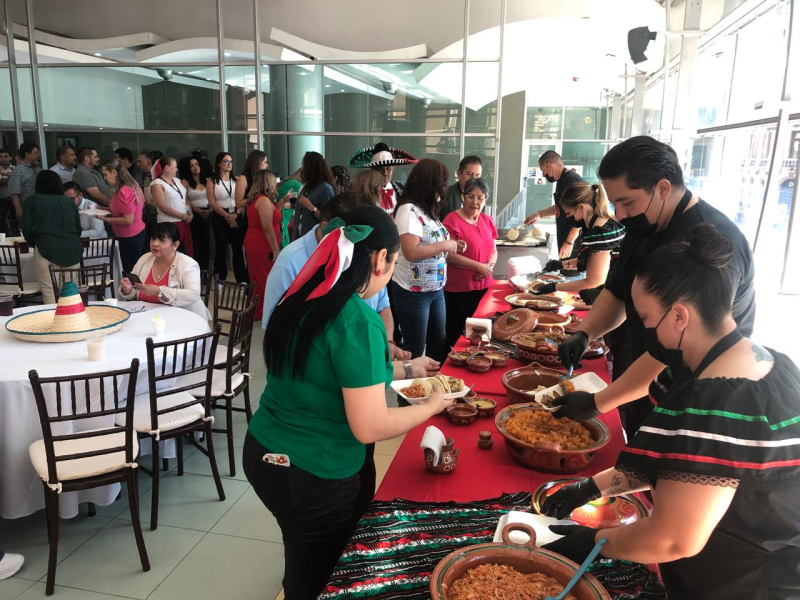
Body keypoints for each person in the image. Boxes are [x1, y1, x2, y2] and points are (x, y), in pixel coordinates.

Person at [540, 225, 800, 599]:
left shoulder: (714, 402)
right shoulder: (773, 363)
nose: (649, 334)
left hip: (744, 583)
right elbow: (686, 466)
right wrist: (590, 486)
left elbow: (674, 539)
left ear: (679, 316)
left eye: (647, 320)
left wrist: (593, 541)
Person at [246, 204, 452, 599]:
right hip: (309, 470)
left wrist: (410, 370)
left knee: (303, 557)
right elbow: (370, 425)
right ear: (379, 260)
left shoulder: (304, 296)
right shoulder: (357, 319)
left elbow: (336, 374)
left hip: (264, 452)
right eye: (393, 263)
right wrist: (432, 406)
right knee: (321, 576)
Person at [554, 137, 756, 437]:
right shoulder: (644, 224)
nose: (619, 214)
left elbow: (674, 347)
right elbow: (616, 292)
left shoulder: (710, 240)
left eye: (626, 202)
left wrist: (598, 403)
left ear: (662, 188)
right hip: (643, 375)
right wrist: (586, 332)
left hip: (695, 398)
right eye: (613, 203)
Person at [262, 193, 410, 364]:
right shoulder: (290, 264)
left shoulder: (366, 262)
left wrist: (388, 344)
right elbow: (277, 336)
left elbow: (382, 305)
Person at [391, 159, 466, 363]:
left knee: (438, 342)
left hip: (435, 289)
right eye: (442, 183)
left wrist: (453, 244)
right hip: (413, 291)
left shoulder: (427, 212)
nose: (444, 188)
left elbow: (433, 243)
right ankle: (408, 394)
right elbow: (411, 251)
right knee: (415, 348)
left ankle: (432, 389)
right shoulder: (408, 210)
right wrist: (445, 245)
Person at [533, 182, 625, 295]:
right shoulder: (607, 223)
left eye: (568, 213)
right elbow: (594, 262)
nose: (568, 218)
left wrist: (554, 287)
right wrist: (563, 264)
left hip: (617, 292)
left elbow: (593, 283)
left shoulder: (600, 235)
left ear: (581, 207)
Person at [442, 177, 497, 350]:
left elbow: (494, 250)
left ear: (485, 199)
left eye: (480, 197)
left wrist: (488, 267)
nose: (475, 202)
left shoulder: (487, 220)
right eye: (471, 196)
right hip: (459, 291)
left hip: (483, 288)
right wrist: (478, 266)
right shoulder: (452, 220)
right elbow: (448, 255)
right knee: (455, 334)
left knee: (480, 335)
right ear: (463, 197)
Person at [118, 223, 209, 320]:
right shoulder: (145, 259)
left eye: (161, 240)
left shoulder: (187, 264)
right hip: (148, 318)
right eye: (153, 238)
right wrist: (127, 289)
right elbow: (136, 291)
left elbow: (193, 295)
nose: (155, 244)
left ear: (175, 245)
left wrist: (159, 291)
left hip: (183, 319)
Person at [20, 171, 82, 304]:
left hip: (46, 248)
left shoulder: (32, 200)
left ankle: (52, 322)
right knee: (69, 293)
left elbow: (26, 228)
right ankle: (72, 322)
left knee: (49, 293)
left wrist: (35, 242)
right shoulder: (68, 201)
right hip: (72, 249)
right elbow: (78, 229)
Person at [524, 151, 583, 260]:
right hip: (565, 235)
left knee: (571, 272)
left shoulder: (571, 180)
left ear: (550, 165)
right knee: (564, 269)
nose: (543, 175)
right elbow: (559, 207)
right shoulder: (562, 180)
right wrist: (538, 214)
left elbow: (581, 214)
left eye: (543, 170)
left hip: (574, 239)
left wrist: (569, 242)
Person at [96, 158, 146, 273]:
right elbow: (121, 209)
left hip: (130, 237)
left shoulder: (125, 190)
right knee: (131, 270)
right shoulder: (127, 186)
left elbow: (128, 220)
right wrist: (103, 209)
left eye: (105, 174)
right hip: (131, 235)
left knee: (132, 271)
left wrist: (106, 219)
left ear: (114, 173)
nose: (105, 178)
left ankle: (134, 291)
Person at [244, 170, 281, 321]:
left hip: (255, 239)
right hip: (262, 242)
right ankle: (266, 310)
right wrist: (276, 250)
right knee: (265, 276)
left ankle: (258, 310)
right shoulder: (263, 201)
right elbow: (267, 227)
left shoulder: (258, 199)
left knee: (258, 276)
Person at [207, 152, 248, 283]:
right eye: (225, 161)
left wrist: (236, 214)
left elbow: (243, 200)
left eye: (231, 162)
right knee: (221, 247)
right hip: (220, 215)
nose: (229, 164)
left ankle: (241, 278)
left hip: (236, 214)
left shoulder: (237, 180)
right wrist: (227, 216)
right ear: (219, 163)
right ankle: (220, 279)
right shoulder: (212, 181)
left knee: (237, 248)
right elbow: (212, 203)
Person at [347, 142, 418, 214]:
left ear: (393, 168)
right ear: (373, 170)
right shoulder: (364, 191)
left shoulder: (401, 189)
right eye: (381, 169)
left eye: (388, 168)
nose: (385, 173)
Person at [150, 156, 193, 257]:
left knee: (186, 250)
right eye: (175, 167)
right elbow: (162, 206)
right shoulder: (157, 184)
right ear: (167, 168)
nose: (177, 169)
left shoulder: (177, 180)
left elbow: (185, 198)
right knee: (173, 251)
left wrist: (190, 213)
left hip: (184, 221)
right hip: (170, 223)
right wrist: (181, 216)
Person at [293, 151, 336, 239]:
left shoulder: (325, 189)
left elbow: (330, 219)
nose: (302, 168)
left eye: (303, 165)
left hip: (315, 240)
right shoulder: (307, 187)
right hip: (300, 237)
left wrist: (311, 208)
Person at [181, 156, 214, 270]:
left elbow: (213, 198)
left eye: (197, 164)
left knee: (205, 243)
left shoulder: (207, 181)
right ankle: (195, 270)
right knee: (194, 243)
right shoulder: (185, 182)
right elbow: (185, 200)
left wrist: (209, 210)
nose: (195, 167)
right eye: (192, 165)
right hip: (193, 214)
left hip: (207, 213)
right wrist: (196, 210)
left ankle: (205, 269)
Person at [234, 150, 268, 237]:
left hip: (265, 215)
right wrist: (256, 200)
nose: (267, 165)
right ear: (257, 162)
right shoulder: (243, 178)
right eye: (265, 162)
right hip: (252, 217)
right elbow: (238, 202)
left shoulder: (263, 177)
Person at [438, 155, 483, 221]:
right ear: (459, 173)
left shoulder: (481, 197)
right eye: (470, 174)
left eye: (477, 175)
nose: (473, 179)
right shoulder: (445, 194)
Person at [8, 142, 41, 219]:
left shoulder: (38, 169)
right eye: (35, 153)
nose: (38, 155)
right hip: (26, 210)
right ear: (27, 154)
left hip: (39, 209)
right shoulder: (18, 170)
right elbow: (15, 192)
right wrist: (18, 210)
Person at [277, 168, 302, 248]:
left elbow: (291, 205)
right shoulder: (297, 185)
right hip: (281, 220)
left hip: (282, 218)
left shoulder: (290, 182)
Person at [0, 148, 13, 229]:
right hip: (1, 199)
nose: (3, 158)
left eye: (6, 156)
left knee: (14, 223)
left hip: (13, 200)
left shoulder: (16, 169)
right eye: (1, 157)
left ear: (10, 158)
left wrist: (9, 179)